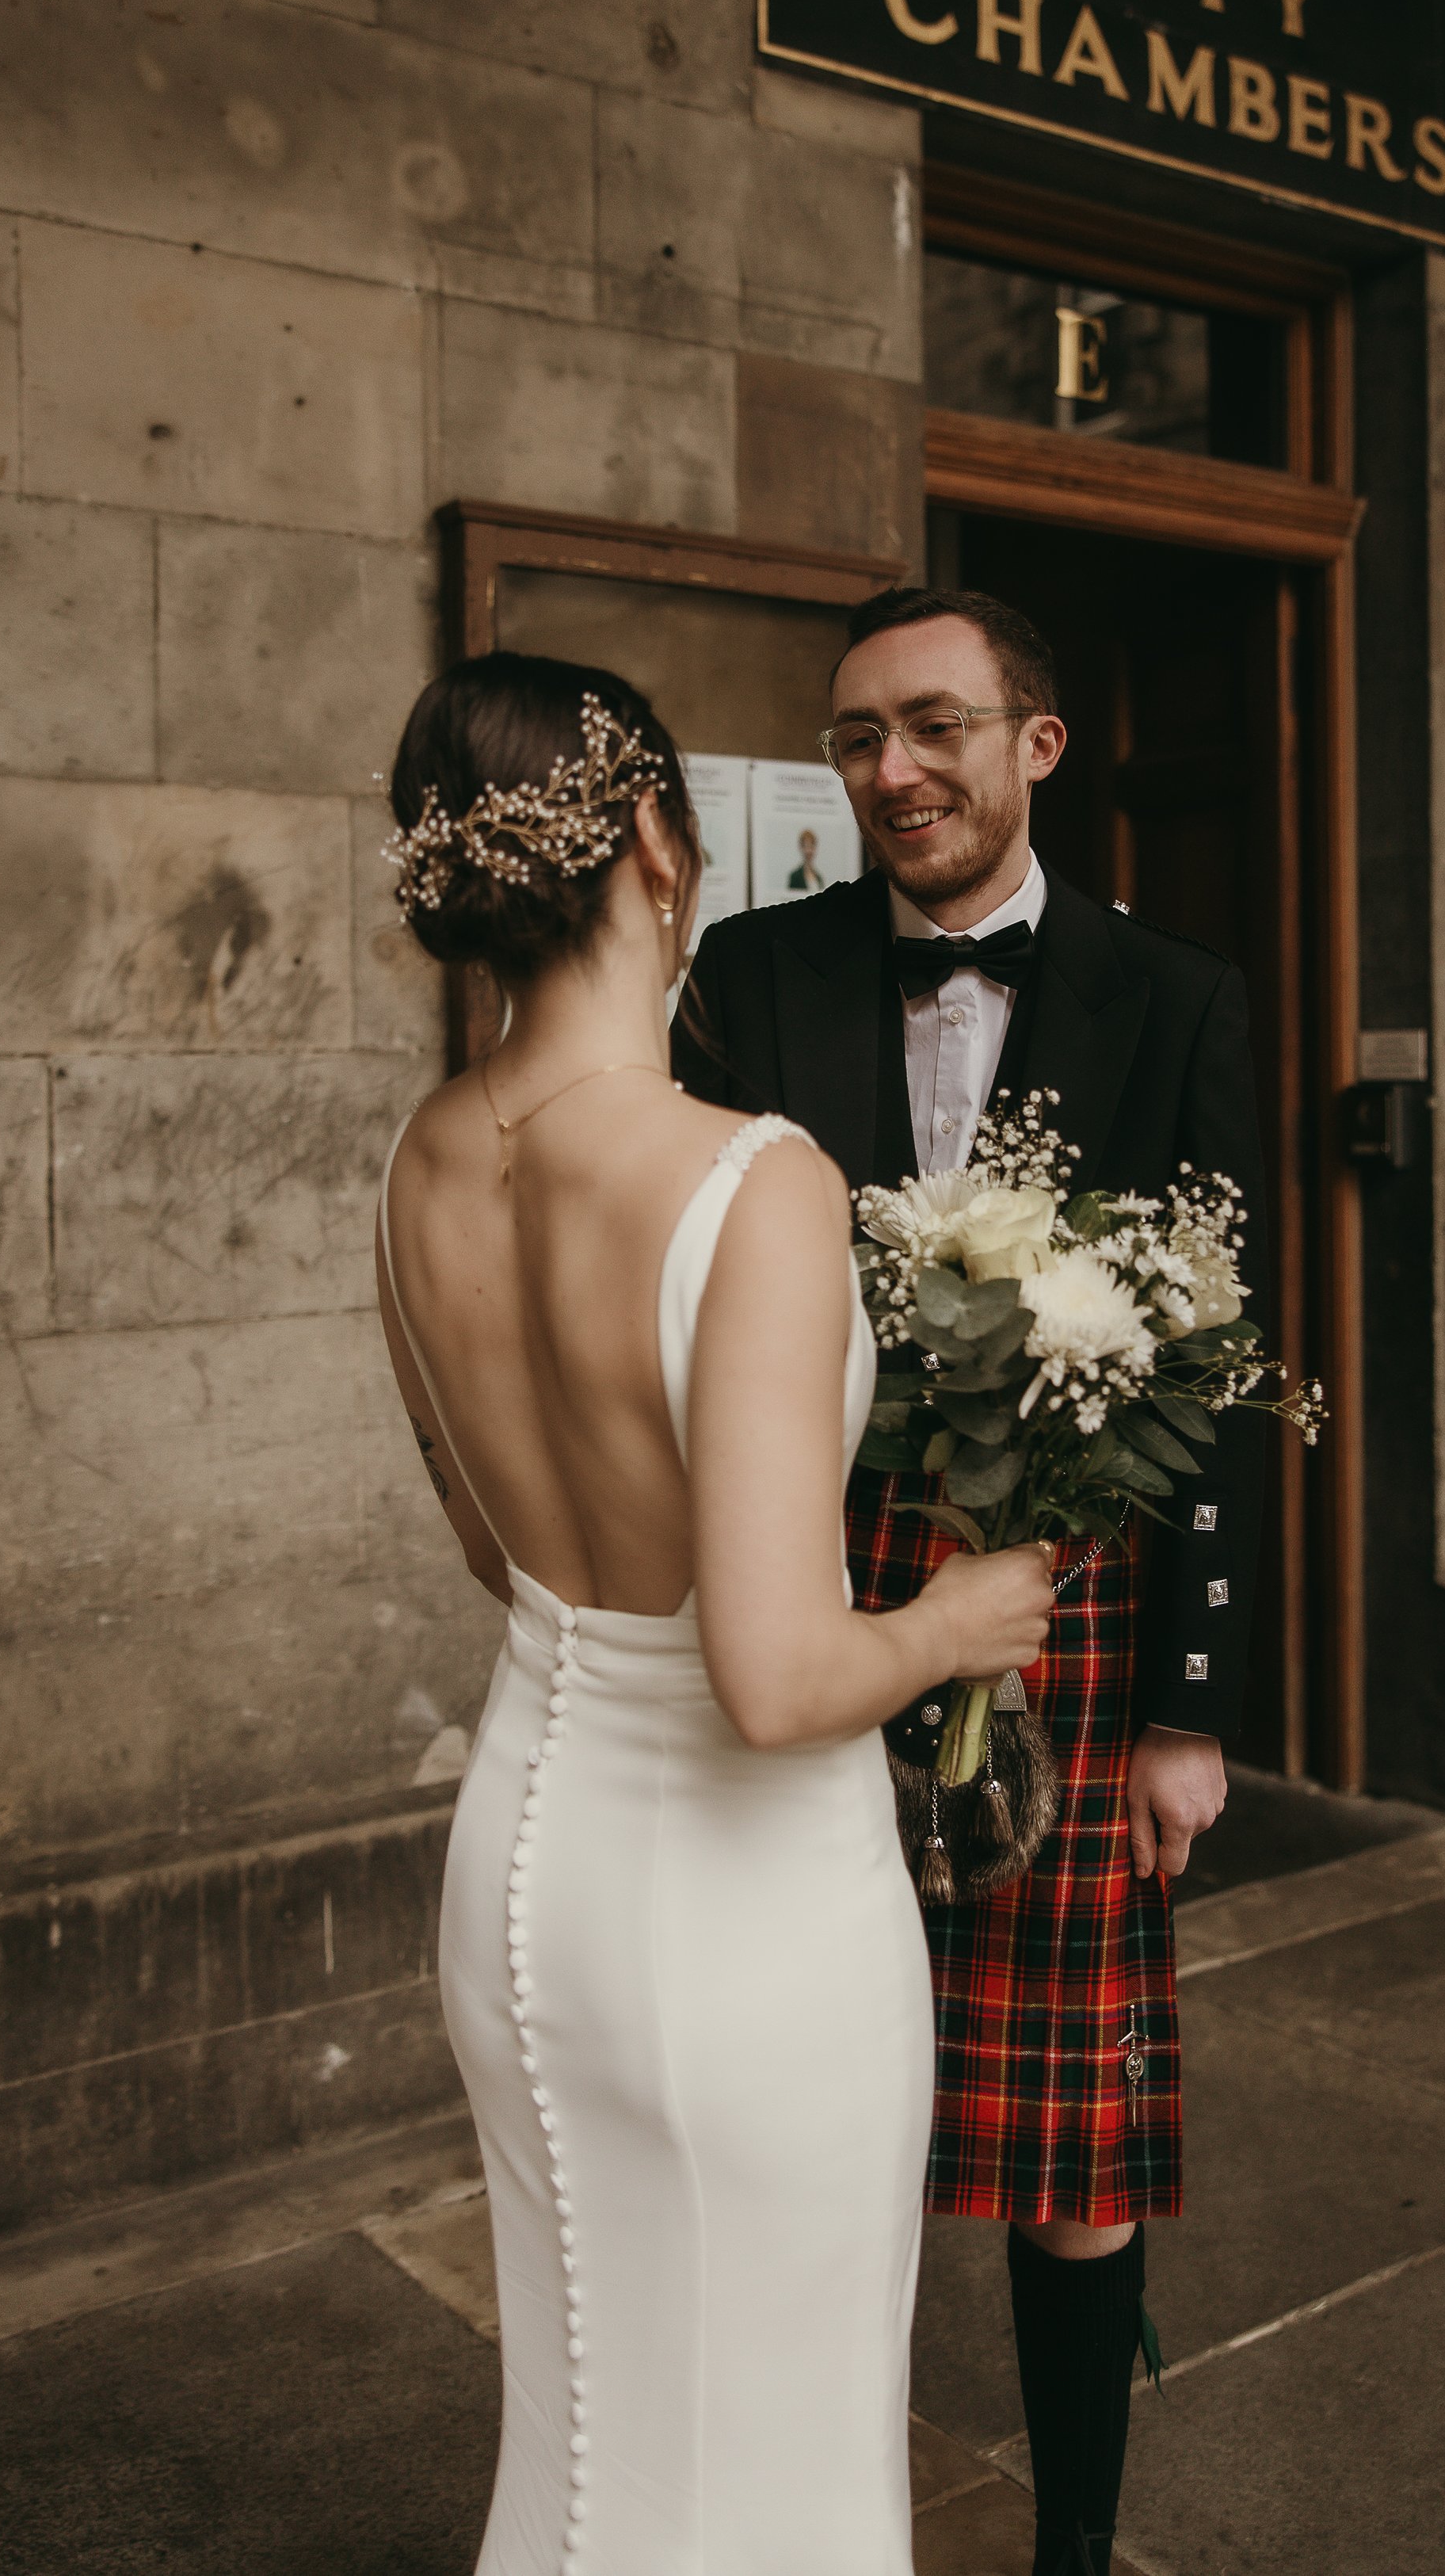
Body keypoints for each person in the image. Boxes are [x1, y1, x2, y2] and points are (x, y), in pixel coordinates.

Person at [373, 650, 1056, 2575]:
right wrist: (959, 1621)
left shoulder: (426, 1157)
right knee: (782, 2464)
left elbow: (491, 1546)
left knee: (586, 2434)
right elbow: (774, 1679)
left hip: (526, 1864)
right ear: (663, 846)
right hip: (749, 1921)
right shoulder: (751, 1183)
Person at [673, 588, 1268, 2576]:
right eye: (854, 740)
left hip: (1066, 1609)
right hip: (819, 1585)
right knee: (813, 2079)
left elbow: (1211, 1362)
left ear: (1035, 743)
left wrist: (1186, 1709)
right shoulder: (748, 977)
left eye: (930, 728)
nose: (889, 773)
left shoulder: (1171, 994)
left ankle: (1074, 2540)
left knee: (1063, 2136)